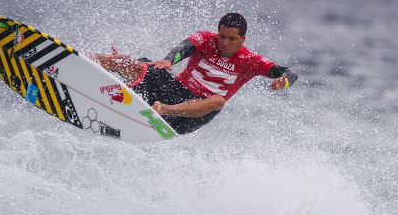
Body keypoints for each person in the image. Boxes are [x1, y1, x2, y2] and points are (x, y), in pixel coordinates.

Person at [89, 12, 298, 134]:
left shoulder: (250, 61)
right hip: (175, 90)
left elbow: (289, 72)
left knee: (218, 100)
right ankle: (73, 61)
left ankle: (162, 110)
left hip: (189, 116)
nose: (224, 43)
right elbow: (185, 48)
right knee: (130, 63)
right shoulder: (207, 39)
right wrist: (169, 60)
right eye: (222, 36)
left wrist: (284, 82)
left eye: (231, 39)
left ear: (243, 39)